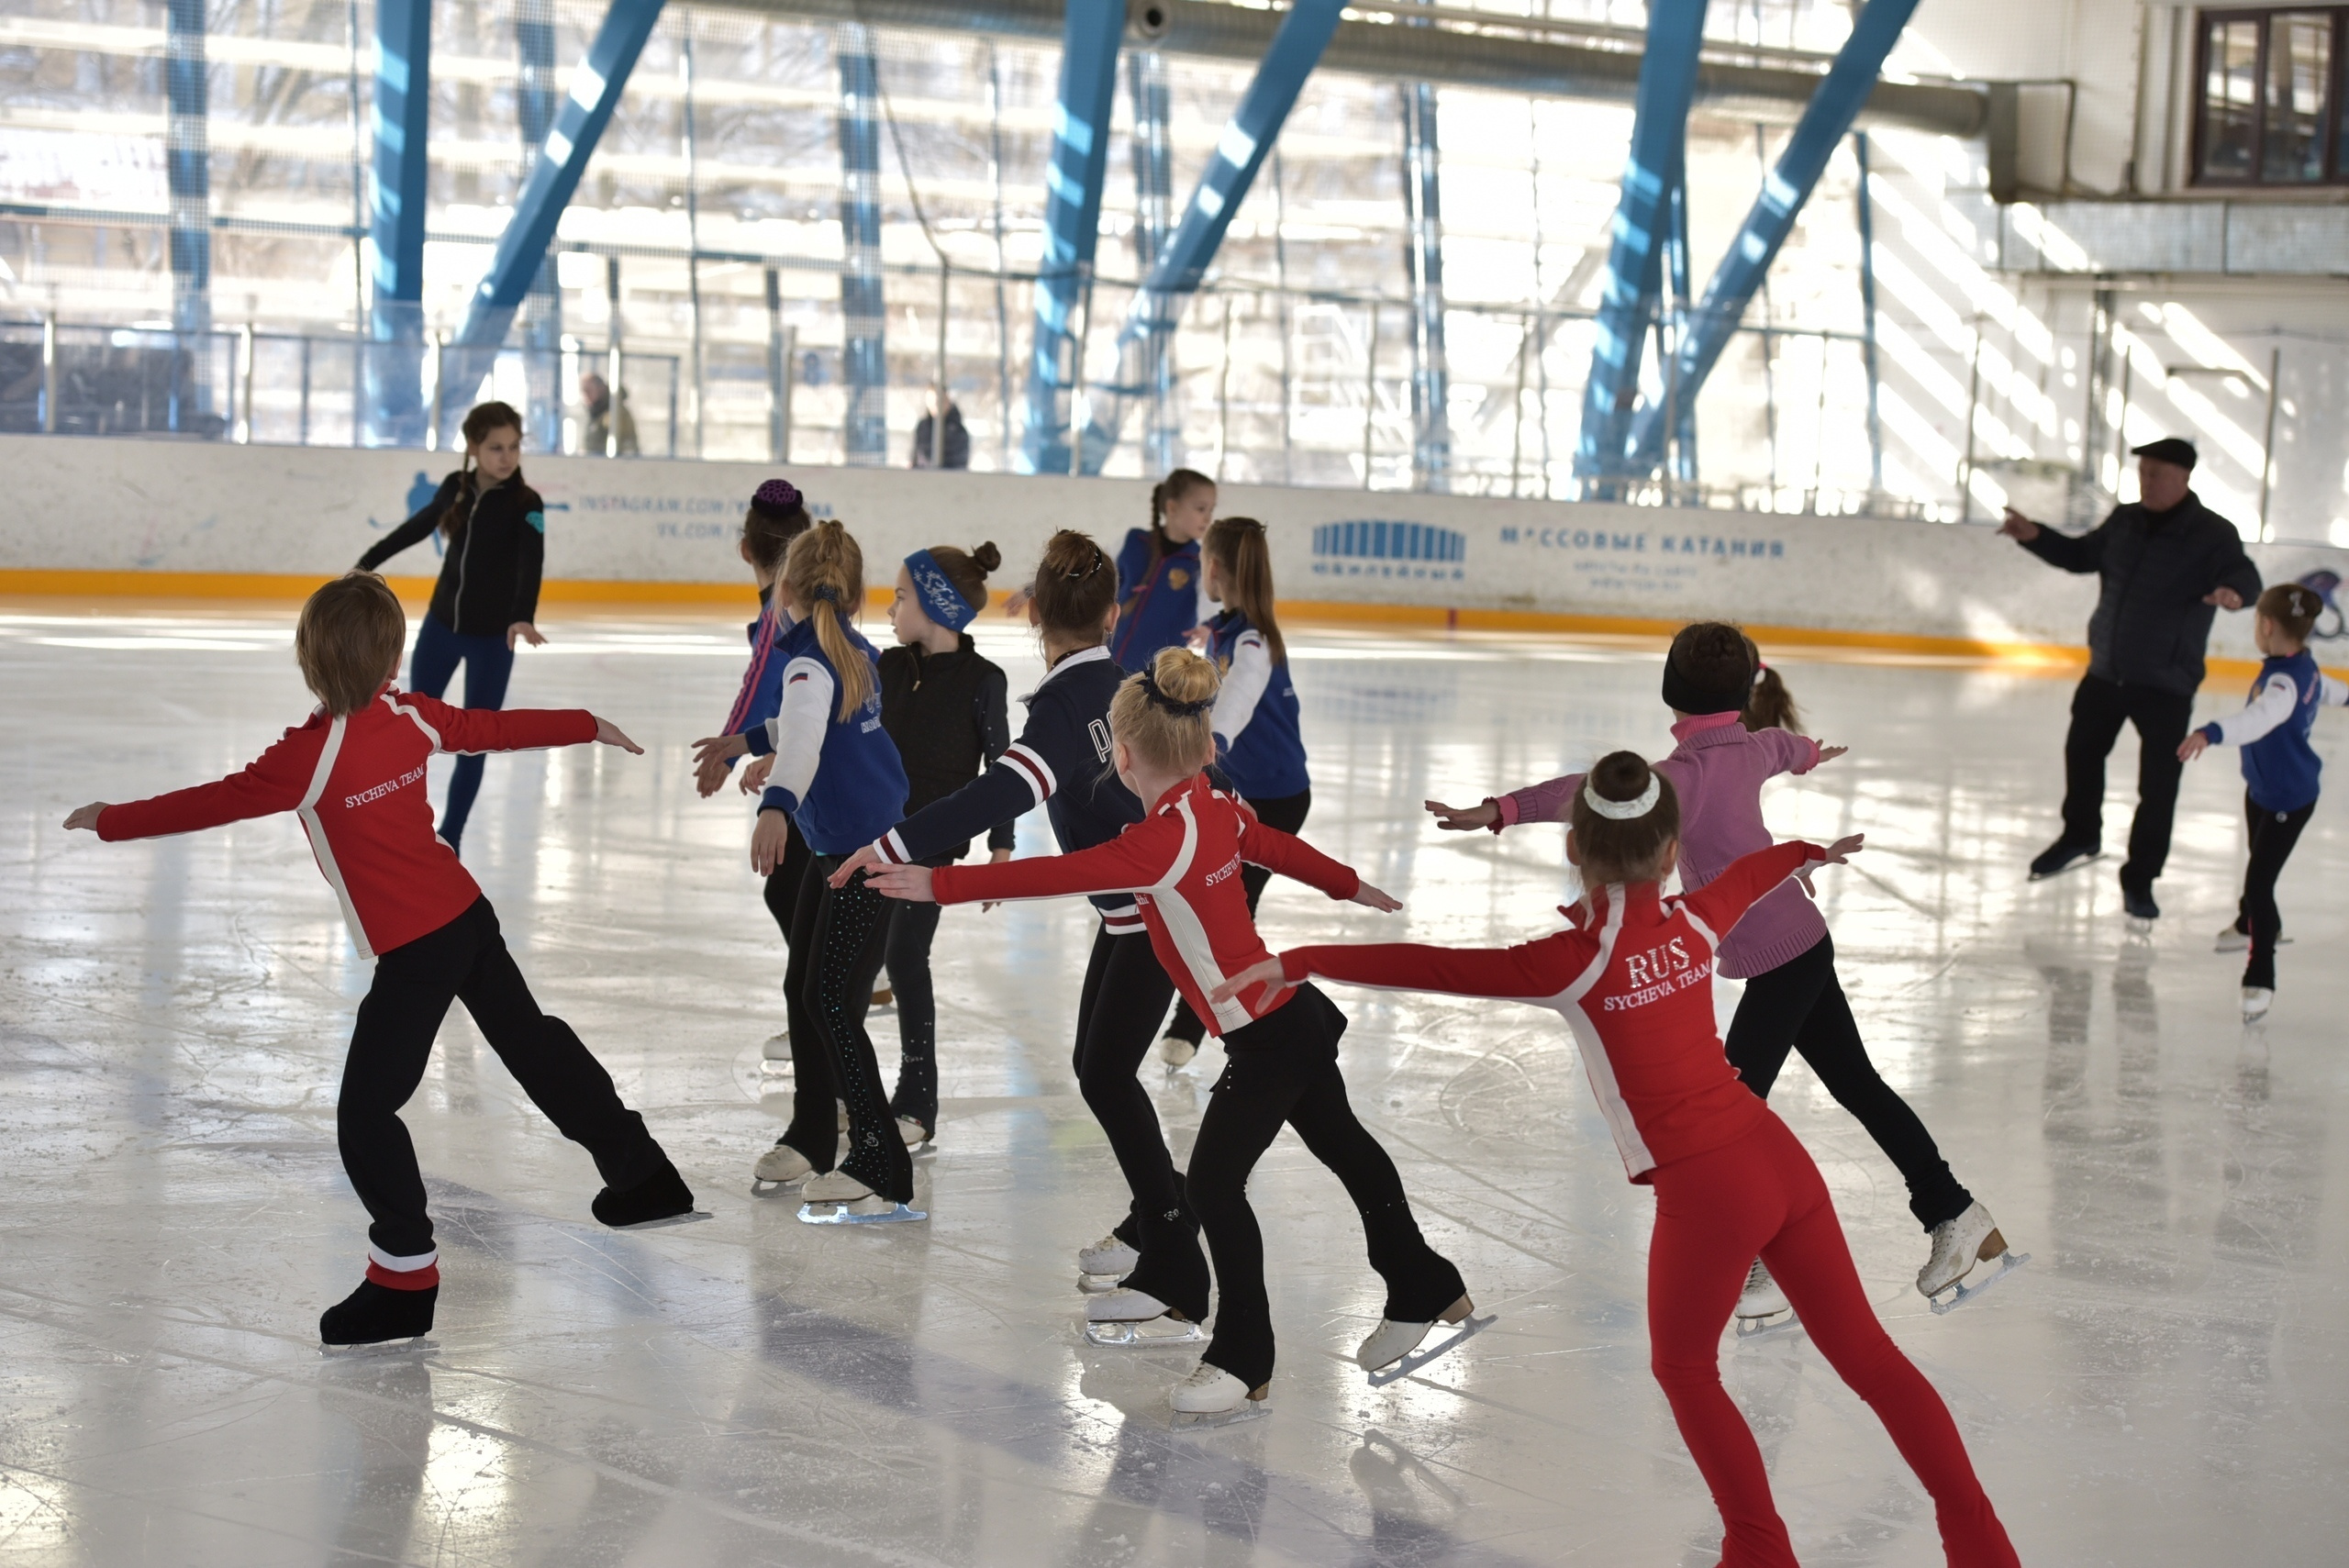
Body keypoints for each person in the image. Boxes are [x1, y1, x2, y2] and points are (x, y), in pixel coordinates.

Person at [1223, 754, 2021, 1567]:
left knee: (1684, 1366)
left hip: (1711, 1190)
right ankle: (1983, 1543)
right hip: (1779, 1160)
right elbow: (1752, 872)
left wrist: (1303, 957)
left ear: (1575, 847)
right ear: (1672, 850)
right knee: (1871, 1359)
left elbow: (1437, 965)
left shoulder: (1572, 962)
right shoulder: (1697, 917)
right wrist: (1809, 851)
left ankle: (1760, 1550)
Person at [63, 572, 695, 1347]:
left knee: (365, 1112)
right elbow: (487, 729)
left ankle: (403, 1278)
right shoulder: (410, 716)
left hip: (419, 949)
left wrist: (109, 821)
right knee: (533, 1043)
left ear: (310, 659)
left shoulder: (307, 755)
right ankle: (645, 1175)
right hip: (467, 916)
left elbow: (213, 800)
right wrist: (584, 722)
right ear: (392, 659)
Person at [867, 648, 1472, 1422]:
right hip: (1287, 1016)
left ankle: (1245, 1357)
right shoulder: (1211, 806)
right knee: (1343, 1143)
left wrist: (938, 880)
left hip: (1267, 1035)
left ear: (1121, 755)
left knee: (1218, 1184)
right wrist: (1347, 883)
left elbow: (1050, 875)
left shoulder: (1157, 842)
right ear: (1203, 747)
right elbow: (1276, 846)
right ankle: (1424, 1279)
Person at [1426, 623, 2009, 1315]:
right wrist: (1809, 754)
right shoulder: (1752, 746)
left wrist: (1499, 809)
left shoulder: (1684, 774)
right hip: (1799, 941)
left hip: (1784, 957)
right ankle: (1954, 1212)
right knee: (1852, 1085)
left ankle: (1780, 1258)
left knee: (1731, 1113)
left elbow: (1587, 795)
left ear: (1671, 691)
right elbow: (1784, 748)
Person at [829, 532, 1208, 1317]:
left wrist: (894, 844)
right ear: (1112, 613)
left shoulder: (1071, 705)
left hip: (1161, 912)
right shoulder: (1123, 684)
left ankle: (1174, 1256)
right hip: (1145, 911)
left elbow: (1000, 792)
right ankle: (1157, 1214)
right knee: (1095, 1066)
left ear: (1034, 613)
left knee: (1103, 1074)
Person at [692, 522, 916, 1221]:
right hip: (856, 846)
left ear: (782, 587)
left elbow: (808, 741)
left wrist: (776, 807)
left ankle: (879, 1156)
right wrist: (746, 739)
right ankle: (818, 1132)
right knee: (811, 987)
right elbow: (802, 722)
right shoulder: (845, 649)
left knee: (829, 1001)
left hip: (859, 855)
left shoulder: (808, 661)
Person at [1999, 436, 2261, 920]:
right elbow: (2081, 556)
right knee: (2082, 752)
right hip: (2107, 671)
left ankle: (2140, 878)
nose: (2147, 481)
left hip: (2166, 682)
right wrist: (2033, 535)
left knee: (2158, 786)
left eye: (2157, 474)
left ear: (2183, 477)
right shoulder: (2125, 520)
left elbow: (2246, 575)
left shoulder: (2212, 534)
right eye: (2142, 472)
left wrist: (2234, 592)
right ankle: (2080, 834)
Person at [355, 400, 548, 858]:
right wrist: (367, 564)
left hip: (493, 640)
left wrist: (523, 614)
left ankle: (451, 838)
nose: (507, 457)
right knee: (411, 731)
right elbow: (417, 527)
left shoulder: (528, 503)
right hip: (443, 628)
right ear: (473, 448)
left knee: (474, 743)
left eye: (514, 447)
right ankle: (403, 823)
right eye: (496, 447)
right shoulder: (454, 490)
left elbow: (531, 562)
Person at [1157, 517, 1310, 1070]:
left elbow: (1239, 697)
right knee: (1211, 907)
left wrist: (1211, 739)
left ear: (1214, 569)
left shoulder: (1254, 640)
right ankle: (1208, 1017)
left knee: (1228, 914)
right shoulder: (1224, 628)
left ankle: (1211, 1025)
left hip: (1274, 797)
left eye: (1204, 565)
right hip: (1240, 789)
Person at [874, 539, 1015, 1147]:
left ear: (937, 607)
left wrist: (1002, 845)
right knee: (854, 957)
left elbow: (1004, 764)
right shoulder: (887, 665)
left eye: (901, 597)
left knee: (906, 957)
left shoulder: (985, 681)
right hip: (872, 833)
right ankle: (845, 1088)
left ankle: (917, 1102)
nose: (890, 609)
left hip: (933, 841)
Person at [2178, 582, 2349, 1020]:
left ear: (2267, 624)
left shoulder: (2282, 686)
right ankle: (2244, 923)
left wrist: (2209, 732)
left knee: (2260, 883)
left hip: (2288, 799)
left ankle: (2261, 974)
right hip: (2263, 790)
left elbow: (2256, 721)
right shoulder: (2301, 667)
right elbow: (2333, 691)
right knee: (2259, 862)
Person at [696, 480, 817, 1067]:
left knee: (793, 890)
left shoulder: (781, 609)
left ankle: (822, 1008)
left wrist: (730, 749)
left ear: (746, 549)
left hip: (811, 771)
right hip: (814, 760)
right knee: (793, 891)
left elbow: (765, 683)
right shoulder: (814, 599)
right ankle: (829, 995)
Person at [1109, 468, 1217, 672]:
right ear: (1172, 508)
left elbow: (1210, 600)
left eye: (1211, 510)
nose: (1208, 518)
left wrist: (1208, 626)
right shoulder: (1133, 541)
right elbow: (1093, 573)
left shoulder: (1200, 562)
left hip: (1158, 675)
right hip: (1107, 660)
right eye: (1201, 509)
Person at [909, 386, 970, 471]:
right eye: (931, 401)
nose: (935, 405)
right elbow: (915, 459)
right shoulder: (923, 428)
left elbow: (958, 465)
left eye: (938, 401)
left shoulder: (958, 431)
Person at [580, 371, 639, 457]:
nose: (585, 395)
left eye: (589, 390)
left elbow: (626, 447)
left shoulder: (615, 413)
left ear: (601, 389)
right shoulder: (596, 413)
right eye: (583, 391)